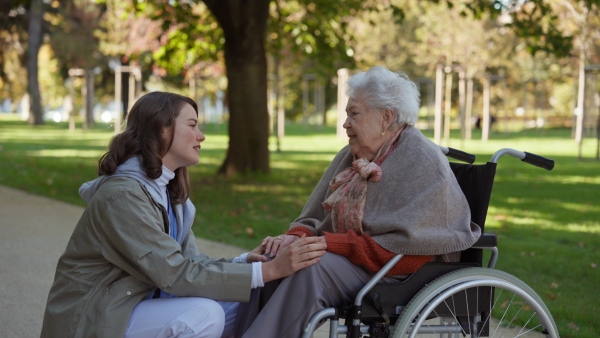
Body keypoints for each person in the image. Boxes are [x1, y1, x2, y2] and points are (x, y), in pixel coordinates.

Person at [40, 91, 327, 338]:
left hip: (135, 304)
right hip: (95, 315)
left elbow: (190, 263)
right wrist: (269, 271)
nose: (201, 136)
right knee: (205, 315)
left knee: (247, 301)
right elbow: (175, 274)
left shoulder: (169, 195)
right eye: (192, 125)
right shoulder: (123, 196)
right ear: (162, 129)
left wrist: (244, 262)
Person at [234, 66, 481, 338]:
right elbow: (315, 216)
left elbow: (410, 248)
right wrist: (294, 236)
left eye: (354, 114)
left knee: (310, 268)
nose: (345, 124)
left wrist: (331, 244)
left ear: (386, 117)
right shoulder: (351, 155)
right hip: (357, 262)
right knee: (271, 259)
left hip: (397, 272)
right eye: (346, 115)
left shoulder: (421, 160)